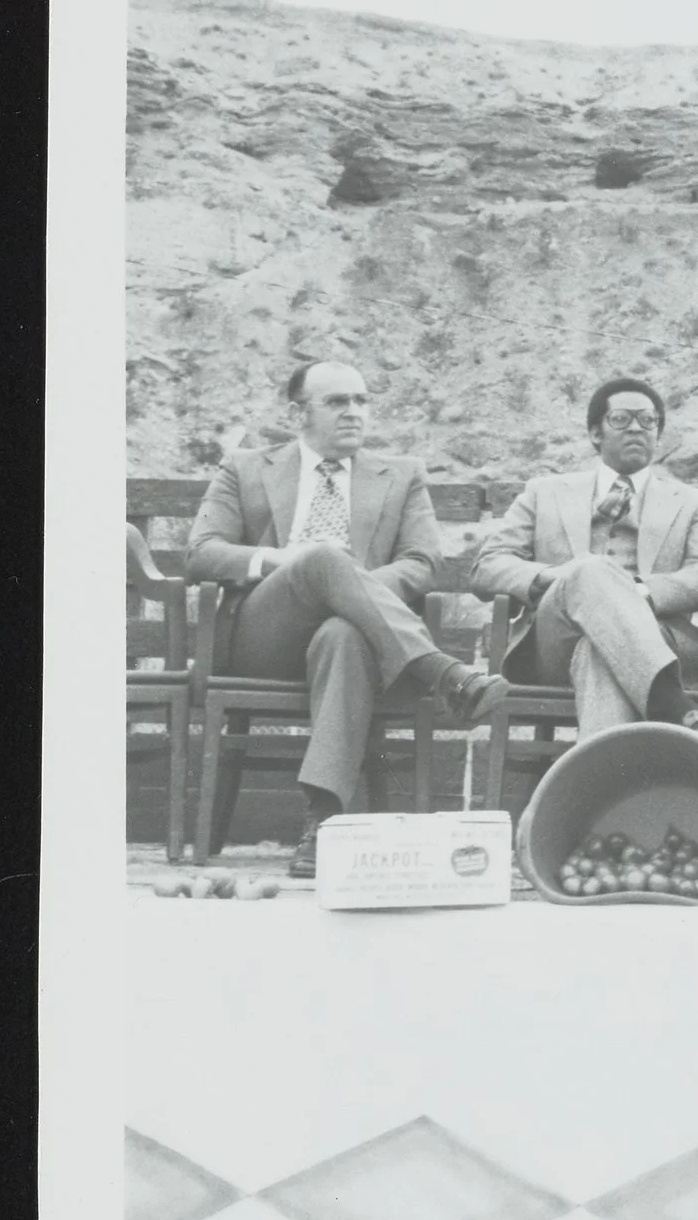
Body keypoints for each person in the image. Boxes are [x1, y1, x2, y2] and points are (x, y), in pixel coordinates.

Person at [186, 359, 509, 876]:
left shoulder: (402, 474)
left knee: (343, 632)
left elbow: (424, 561)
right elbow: (200, 553)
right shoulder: (245, 467)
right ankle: (443, 672)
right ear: (299, 413)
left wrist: (347, 593)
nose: (354, 412)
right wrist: (289, 563)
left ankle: (324, 820)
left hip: (358, 637)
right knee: (321, 557)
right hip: (265, 637)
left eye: (361, 401)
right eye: (338, 402)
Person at [471, 377, 698, 742]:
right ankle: (673, 704)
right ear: (596, 433)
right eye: (623, 419)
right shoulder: (545, 492)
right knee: (589, 570)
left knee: (597, 652)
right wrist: (559, 577)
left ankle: (600, 788)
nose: (637, 429)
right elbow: (487, 566)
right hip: (554, 643)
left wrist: (639, 591)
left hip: (656, 637)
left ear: (658, 434)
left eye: (648, 420)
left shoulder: (691, 503)